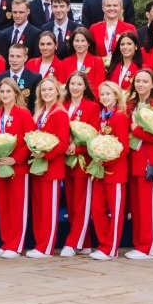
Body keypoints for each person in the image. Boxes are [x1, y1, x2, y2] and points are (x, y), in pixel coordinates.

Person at [125, 69, 153, 260]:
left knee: (148, 205)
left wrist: (136, 130)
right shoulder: (131, 105)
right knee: (137, 206)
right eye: (138, 81)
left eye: (145, 81)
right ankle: (139, 243)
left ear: (152, 85)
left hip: (149, 159)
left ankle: (149, 246)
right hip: (133, 159)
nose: (141, 84)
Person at [0, 80, 34, 257]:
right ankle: (6, 242)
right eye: (2, 92)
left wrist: (15, 159)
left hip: (17, 168)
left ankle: (16, 245)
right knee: (4, 207)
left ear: (16, 93)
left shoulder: (24, 113)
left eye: (8, 91)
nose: (5, 95)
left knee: (17, 206)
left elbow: (30, 140)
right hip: (0, 167)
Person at [26, 77, 71, 258]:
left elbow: (62, 143)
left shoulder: (60, 113)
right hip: (38, 167)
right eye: (43, 90)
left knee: (48, 210)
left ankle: (46, 247)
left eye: (50, 90)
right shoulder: (40, 112)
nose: (47, 93)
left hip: (51, 167)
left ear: (57, 92)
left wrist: (44, 154)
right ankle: (39, 244)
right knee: (38, 208)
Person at [86, 81, 131, 259]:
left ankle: (111, 248)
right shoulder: (103, 116)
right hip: (100, 170)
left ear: (116, 96)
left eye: (108, 94)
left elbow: (124, 147)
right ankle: (103, 244)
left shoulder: (119, 116)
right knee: (97, 208)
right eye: (102, 94)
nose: (104, 97)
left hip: (115, 171)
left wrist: (106, 159)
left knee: (116, 210)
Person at [59, 71, 99, 253]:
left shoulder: (91, 107)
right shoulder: (63, 105)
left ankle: (73, 242)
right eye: (72, 84)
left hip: (83, 161)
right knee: (71, 204)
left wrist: (78, 148)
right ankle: (86, 243)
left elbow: (94, 136)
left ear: (85, 86)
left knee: (81, 204)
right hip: (66, 161)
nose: (75, 87)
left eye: (78, 84)